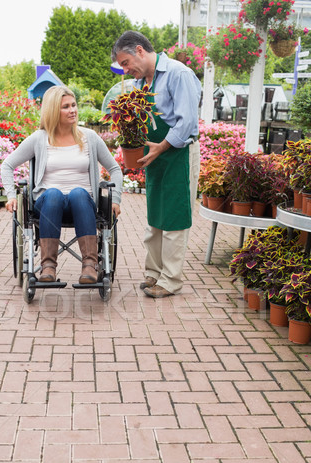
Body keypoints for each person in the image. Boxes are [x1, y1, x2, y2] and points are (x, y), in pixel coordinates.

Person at [1, 85, 122, 284]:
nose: (72, 110)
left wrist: (115, 199)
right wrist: (11, 195)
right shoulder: (39, 138)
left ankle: (90, 266)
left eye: (73, 105)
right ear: (52, 110)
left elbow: (115, 169)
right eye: (65, 106)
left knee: (78, 193)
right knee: (54, 193)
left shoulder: (89, 137)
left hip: (82, 205)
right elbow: (7, 165)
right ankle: (48, 266)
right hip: (49, 205)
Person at [112, 31, 201, 298]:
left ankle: (171, 280)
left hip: (178, 154)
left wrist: (162, 146)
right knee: (155, 217)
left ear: (139, 50)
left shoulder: (178, 74)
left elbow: (186, 123)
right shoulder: (142, 83)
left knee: (174, 217)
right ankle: (154, 272)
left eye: (126, 63)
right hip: (156, 155)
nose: (126, 70)